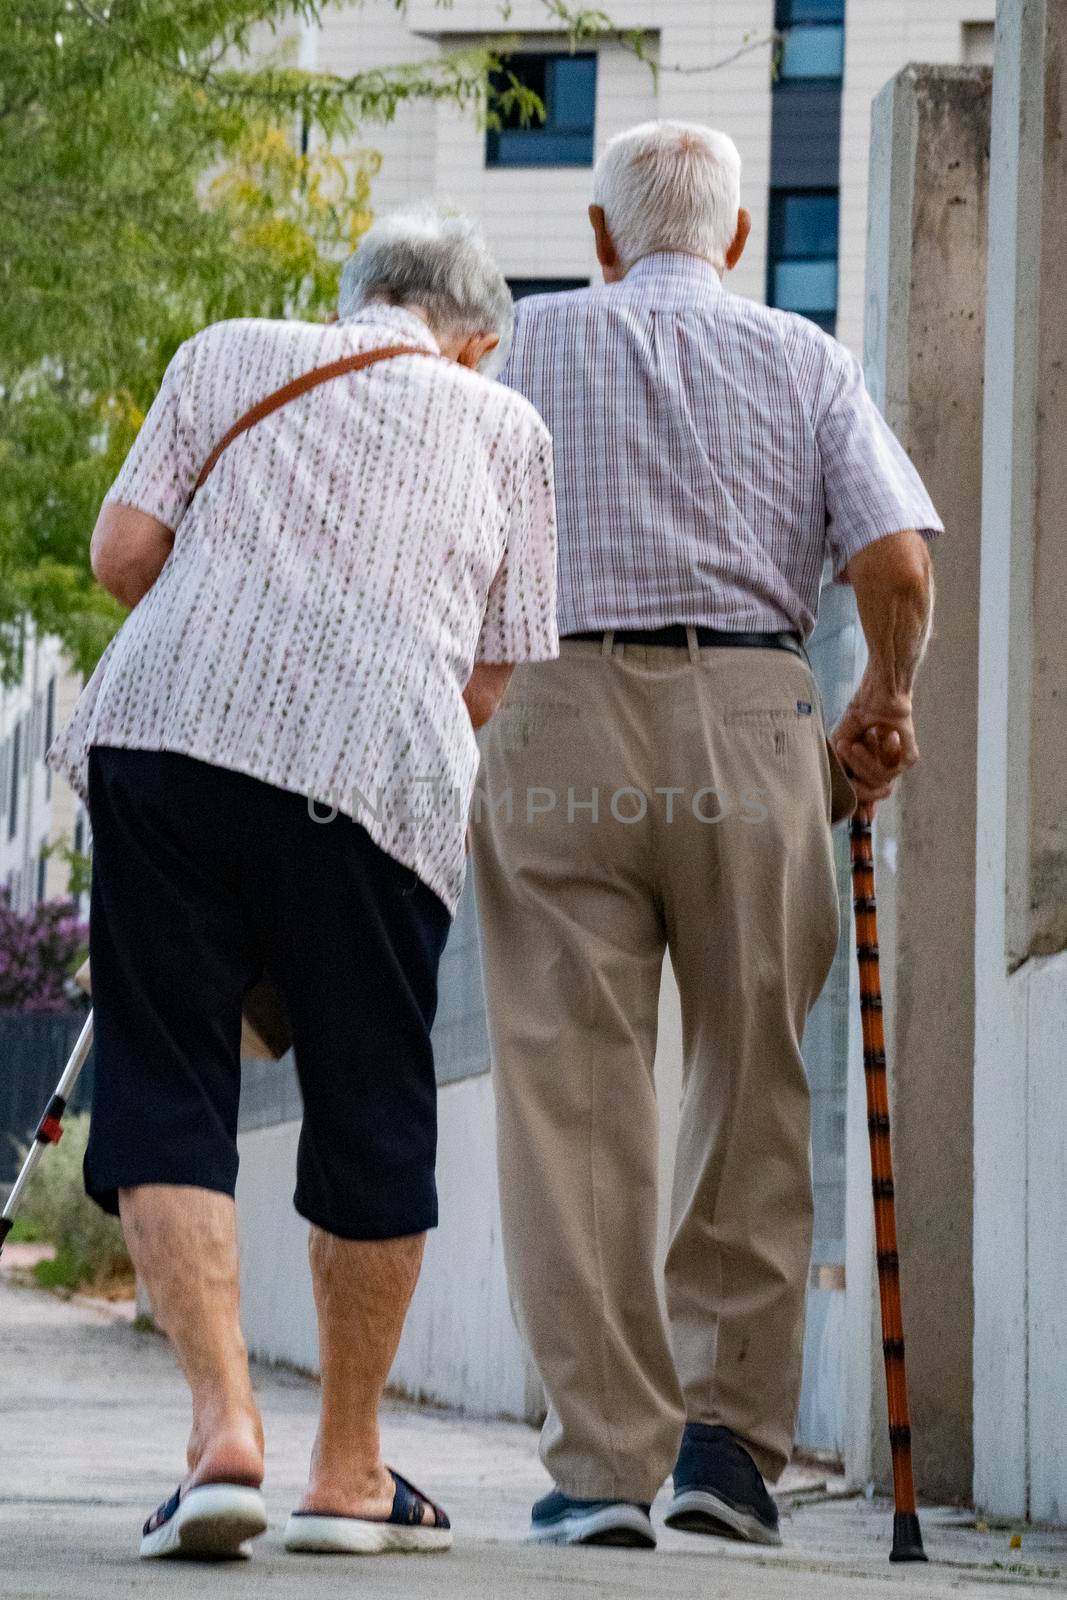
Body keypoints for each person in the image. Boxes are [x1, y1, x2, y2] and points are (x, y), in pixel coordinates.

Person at [48, 206, 558, 1561]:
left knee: (166, 1077)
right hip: (374, 773)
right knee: (368, 1096)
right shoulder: (506, 429)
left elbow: (122, 558)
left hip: (166, 739)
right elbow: (492, 681)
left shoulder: (227, 352)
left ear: (352, 298)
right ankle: (349, 1471)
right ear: (480, 340)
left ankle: (222, 1438)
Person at [471, 121, 939, 1550]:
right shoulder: (804, 358)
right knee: (749, 1080)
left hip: (555, 718)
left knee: (570, 1102)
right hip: (751, 713)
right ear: (735, 241)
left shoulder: (518, 352)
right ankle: (725, 1453)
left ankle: (601, 1471)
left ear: (603, 239)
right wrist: (882, 702)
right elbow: (897, 561)